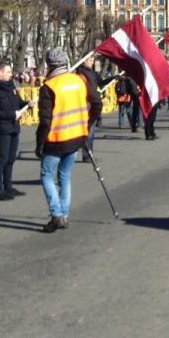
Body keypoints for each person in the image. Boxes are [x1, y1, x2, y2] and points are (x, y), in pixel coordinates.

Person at [35, 49, 102, 233]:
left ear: (49, 64)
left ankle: (56, 214)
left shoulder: (49, 86)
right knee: (64, 176)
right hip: (76, 135)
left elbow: (45, 120)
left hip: (56, 138)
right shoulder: (79, 81)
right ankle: (63, 214)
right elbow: (97, 103)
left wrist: (39, 143)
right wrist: (87, 123)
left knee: (47, 176)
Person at [0, 60, 35, 201]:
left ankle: (8, 187)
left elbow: (17, 102)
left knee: (11, 158)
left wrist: (27, 104)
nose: (10, 74)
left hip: (14, 126)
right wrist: (11, 114)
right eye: (7, 71)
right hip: (3, 127)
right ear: (0, 73)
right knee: (2, 158)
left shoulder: (10, 86)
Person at [77, 54, 101, 162]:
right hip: (86, 103)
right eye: (90, 60)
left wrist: (113, 78)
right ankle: (87, 155)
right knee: (89, 130)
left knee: (91, 131)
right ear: (84, 61)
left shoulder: (92, 73)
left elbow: (100, 83)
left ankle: (89, 153)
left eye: (93, 60)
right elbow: (88, 90)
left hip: (92, 103)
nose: (92, 62)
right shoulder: (81, 73)